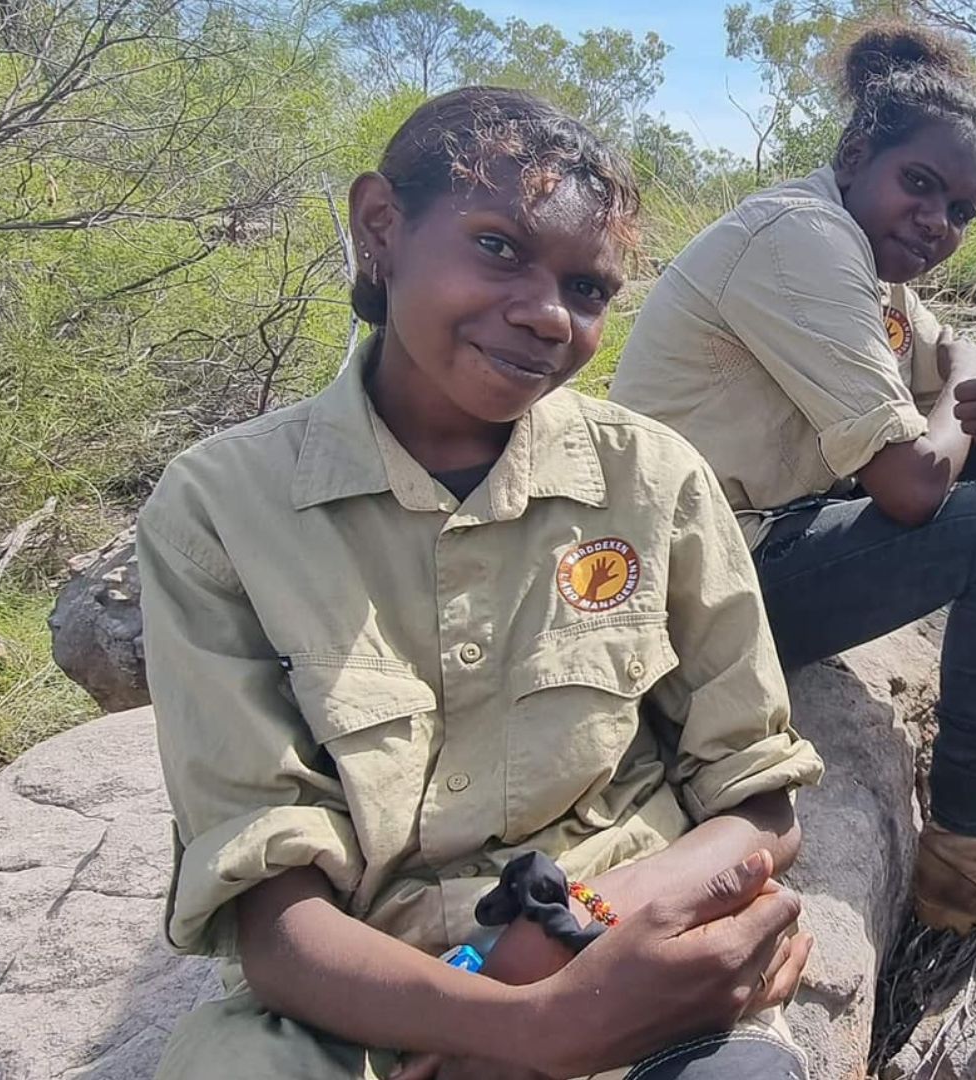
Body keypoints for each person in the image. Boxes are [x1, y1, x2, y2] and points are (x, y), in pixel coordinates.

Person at [141, 87, 827, 1080]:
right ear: (381, 225)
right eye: (499, 246)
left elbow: (757, 804)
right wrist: (523, 1029)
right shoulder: (223, 506)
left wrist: (586, 931)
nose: (547, 313)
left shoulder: (655, 479)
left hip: (627, 954)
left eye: (588, 289)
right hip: (358, 1001)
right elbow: (274, 918)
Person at [609, 25, 976, 936]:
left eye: (960, 209)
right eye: (920, 185)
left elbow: (949, 354)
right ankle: (967, 848)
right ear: (855, 154)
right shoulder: (802, 239)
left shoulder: (865, 261)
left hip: (762, 538)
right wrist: (962, 393)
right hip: (691, 591)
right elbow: (911, 484)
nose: (937, 223)